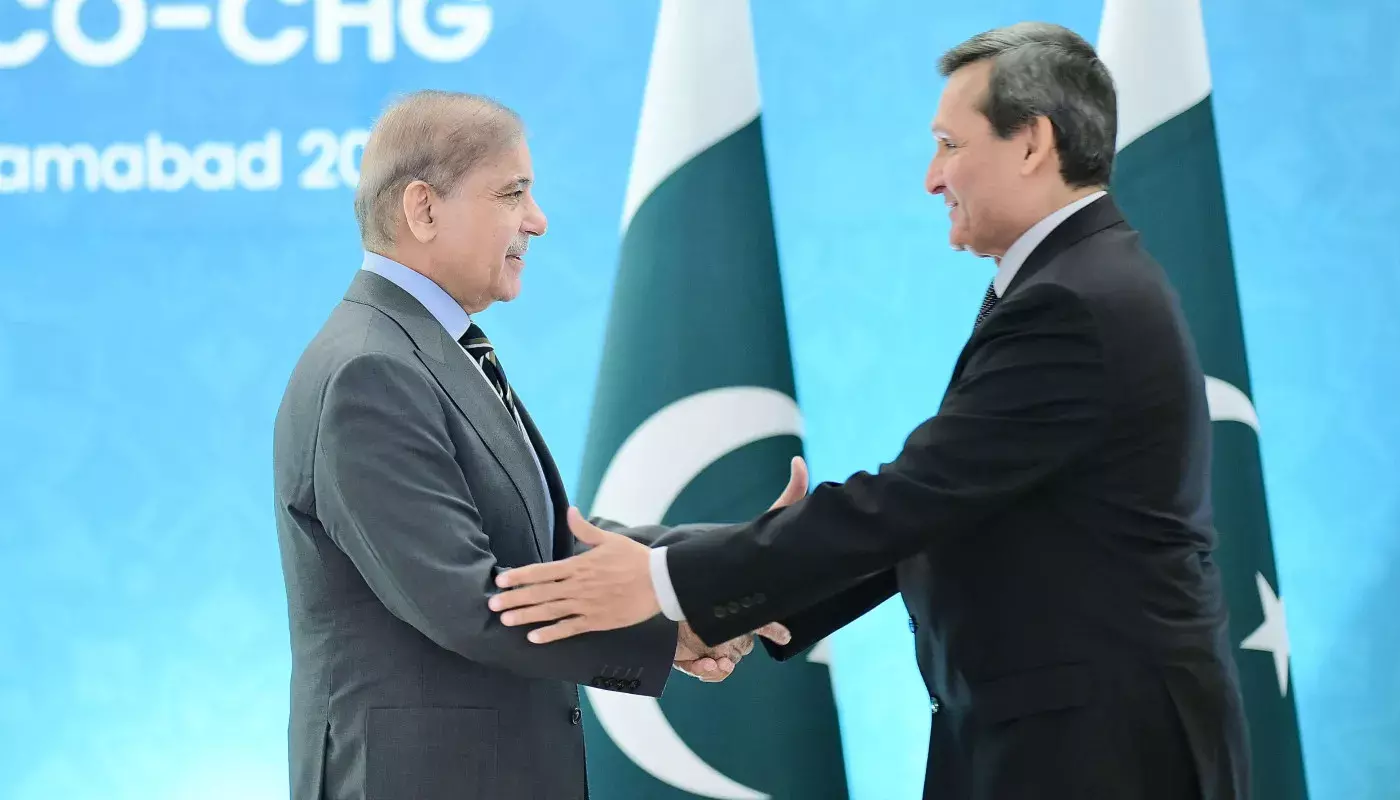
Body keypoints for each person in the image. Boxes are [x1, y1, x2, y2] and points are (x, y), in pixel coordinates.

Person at [488, 23, 1253, 800]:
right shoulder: (1071, 281)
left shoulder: (1073, 303)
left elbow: (915, 500)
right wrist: (765, 592)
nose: (932, 178)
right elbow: (951, 510)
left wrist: (665, 582)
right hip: (1053, 736)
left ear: (1032, 143)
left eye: (949, 145)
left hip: (1099, 753)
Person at [271, 90, 791, 800]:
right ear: (423, 209)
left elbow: (550, 545)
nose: (537, 221)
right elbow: (472, 601)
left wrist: (742, 556)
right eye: (512, 193)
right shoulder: (372, 371)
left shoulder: (427, 349)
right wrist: (672, 630)